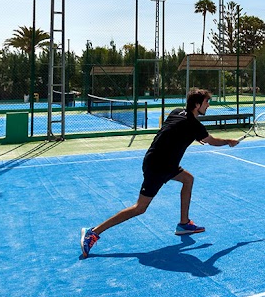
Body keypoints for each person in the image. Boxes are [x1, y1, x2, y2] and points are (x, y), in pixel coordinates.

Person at [80, 87, 239, 259]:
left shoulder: (178, 112)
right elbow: (212, 141)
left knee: (188, 179)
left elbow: (175, 131)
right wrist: (229, 141)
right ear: (197, 104)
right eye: (207, 102)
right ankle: (93, 232)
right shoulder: (194, 125)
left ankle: (184, 224)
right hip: (158, 166)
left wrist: (195, 136)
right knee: (140, 208)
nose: (208, 105)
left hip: (163, 162)